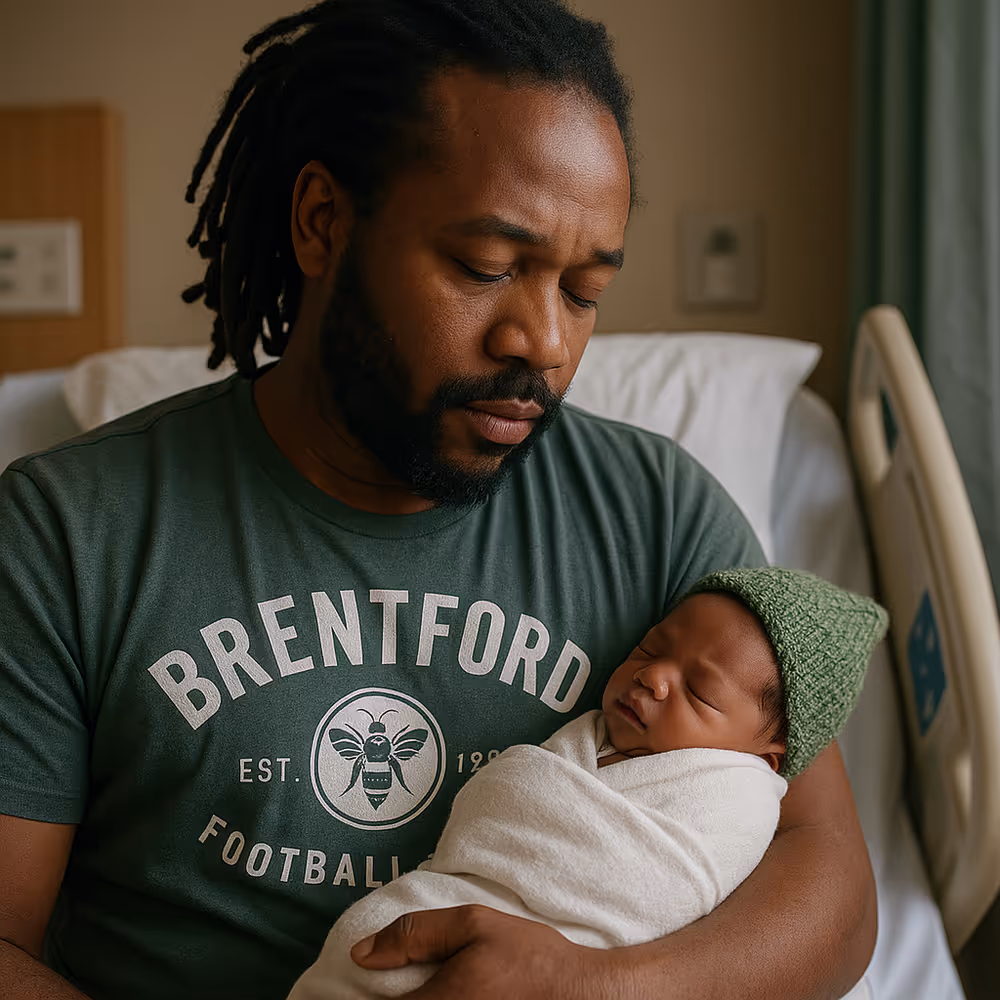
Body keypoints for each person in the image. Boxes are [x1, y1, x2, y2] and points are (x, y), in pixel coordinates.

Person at [0, 2, 877, 999]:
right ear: (322, 222)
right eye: (488, 267)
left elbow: (834, 888)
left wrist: (600, 987)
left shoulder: (657, 514)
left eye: (583, 291)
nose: (542, 340)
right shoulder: (69, 533)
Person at [286, 567, 888, 999]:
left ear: (769, 755)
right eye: (650, 649)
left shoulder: (740, 797)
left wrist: (590, 982)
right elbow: (509, 806)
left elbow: (647, 885)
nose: (652, 677)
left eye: (699, 692)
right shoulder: (595, 737)